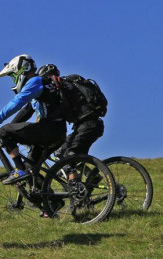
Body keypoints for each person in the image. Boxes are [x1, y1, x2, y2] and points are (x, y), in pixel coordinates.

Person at [0, 55, 66, 185]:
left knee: (3, 131)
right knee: (29, 171)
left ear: (22, 70)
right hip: (58, 133)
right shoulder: (45, 85)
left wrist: (3, 125)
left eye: (13, 76)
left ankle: (18, 169)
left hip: (47, 130)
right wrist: (12, 131)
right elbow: (25, 112)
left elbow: (17, 102)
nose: (14, 80)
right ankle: (53, 202)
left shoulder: (36, 81)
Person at [37, 64, 106, 160]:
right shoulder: (71, 83)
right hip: (90, 125)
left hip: (87, 125)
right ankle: (89, 174)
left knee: (69, 155)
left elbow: (57, 113)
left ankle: (75, 171)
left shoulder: (61, 87)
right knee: (60, 151)